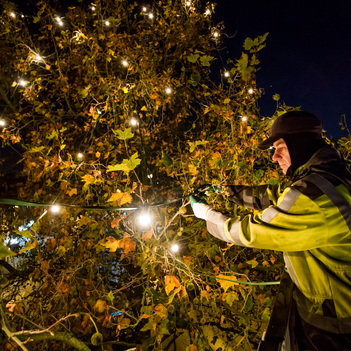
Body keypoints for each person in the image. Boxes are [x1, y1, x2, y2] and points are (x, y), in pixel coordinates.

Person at [190, 111, 351, 351]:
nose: (275, 157)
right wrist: (227, 192)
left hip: (334, 325)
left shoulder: (315, 198)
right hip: (326, 308)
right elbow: (274, 196)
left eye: (280, 148)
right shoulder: (329, 176)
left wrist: (208, 215)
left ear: (300, 145)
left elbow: (252, 231)